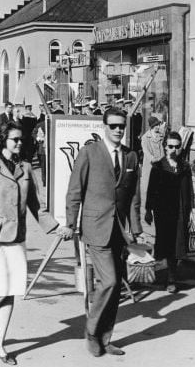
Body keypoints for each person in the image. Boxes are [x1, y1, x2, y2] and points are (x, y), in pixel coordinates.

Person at [0, 122, 59, 365]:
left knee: (12, 291)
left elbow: (36, 205)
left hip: (18, 238)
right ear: (2, 140)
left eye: (21, 140)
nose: (19, 143)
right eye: (14, 139)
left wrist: (55, 227)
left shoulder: (26, 168)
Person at [58, 107, 142, 358]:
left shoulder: (131, 157)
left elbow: (134, 197)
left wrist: (135, 230)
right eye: (113, 126)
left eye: (121, 126)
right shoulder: (90, 152)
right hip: (96, 228)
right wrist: (71, 223)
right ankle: (92, 331)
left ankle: (106, 339)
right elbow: (75, 191)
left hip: (120, 231)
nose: (118, 130)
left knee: (116, 287)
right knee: (110, 281)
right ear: (104, 127)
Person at [144, 131, 195, 293]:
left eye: (177, 146)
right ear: (165, 147)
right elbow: (151, 190)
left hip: (180, 211)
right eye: (170, 146)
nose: (173, 149)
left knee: (176, 245)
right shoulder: (158, 167)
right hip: (163, 210)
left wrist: (190, 210)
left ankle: (172, 278)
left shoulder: (185, 167)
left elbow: (189, 190)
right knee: (164, 243)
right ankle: (157, 274)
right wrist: (148, 210)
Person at [140, 116, 165, 208]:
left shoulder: (161, 135)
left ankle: (158, 203)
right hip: (150, 165)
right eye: (156, 125)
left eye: (159, 124)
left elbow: (163, 148)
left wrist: (162, 157)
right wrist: (153, 158)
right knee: (148, 186)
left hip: (160, 163)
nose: (158, 126)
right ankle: (148, 206)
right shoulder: (145, 137)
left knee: (160, 185)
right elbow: (145, 150)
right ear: (152, 126)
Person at [32, 112, 47, 186]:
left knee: (45, 166)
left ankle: (46, 181)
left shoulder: (53, 124)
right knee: (44, 166)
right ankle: (45, 181)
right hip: (44, 149)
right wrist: (38, 138)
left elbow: (33, 133)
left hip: (47, 149)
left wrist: (38, 138)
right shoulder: (40, 124)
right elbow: (34, 133)